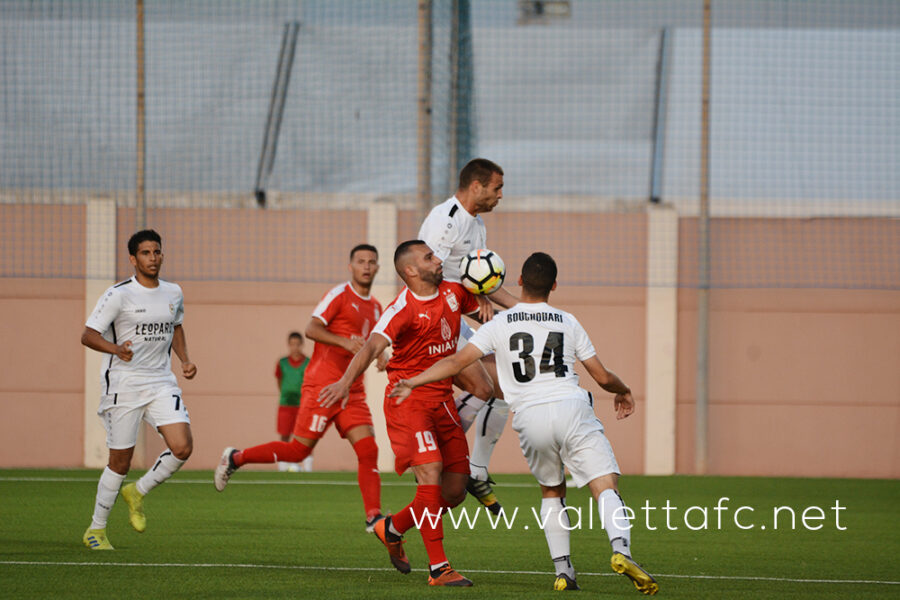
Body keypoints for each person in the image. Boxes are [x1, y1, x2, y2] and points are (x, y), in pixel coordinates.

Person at [390, 252, 660, 595]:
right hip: (571, 407)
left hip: (530, 418)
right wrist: (624, 390)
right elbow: (602, 376)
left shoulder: (499, 324)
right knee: (604, 483)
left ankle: (564, 572)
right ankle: (621, 550)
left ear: (518, 282)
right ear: (554, 286)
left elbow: (457, 361)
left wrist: (413, 381)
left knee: (552, 490)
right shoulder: (567, 321)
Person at [318, 240, 482, 587]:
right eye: (429, 257)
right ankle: (439, 568)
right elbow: (371, 347)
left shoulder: (454, 291)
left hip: (443, 401)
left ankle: (390, 527)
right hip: (408, 402)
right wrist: (346, 382)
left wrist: (518, 308)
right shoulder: (401, 309)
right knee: (430, 473)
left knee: (453, 491)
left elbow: (484, 305)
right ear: (410, 270)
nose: (438, 260)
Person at [215, 244, 386, 532]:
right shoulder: (339, 296)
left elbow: (374, 340)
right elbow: (311, 329)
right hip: (323, 386)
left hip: (352, 391)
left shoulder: (377, 306)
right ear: (350, 267)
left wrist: (381, 355)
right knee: (297, 451)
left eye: (371, 262)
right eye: (361, 261)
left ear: (378, 267)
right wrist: (345, 342)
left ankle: (374, 517)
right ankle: (236, 457)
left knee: (368, 449)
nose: (367, 266)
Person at [80, 229, 197, 550]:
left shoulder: (173, 292)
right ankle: (96, 530)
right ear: (133, 259)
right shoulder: (119, 294)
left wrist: (185, 360)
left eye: (157, 252)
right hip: (124, 384)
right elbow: (88, 335)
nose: (153, 258)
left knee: (183, 447)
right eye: (145, 253)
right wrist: (116, 349)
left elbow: (176, 327)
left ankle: (138, 491)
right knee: (120, 462)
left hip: (160, 382)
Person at [417, 157, 518, 514]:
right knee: (485, 388)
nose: (501, 195)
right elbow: (427, 278)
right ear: (476, 186)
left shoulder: (476, 225)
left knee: (505, 381)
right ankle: (447, 447)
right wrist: (475, 305)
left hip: (457, 318)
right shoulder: (446, 222)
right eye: (497, 188)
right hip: (435, 325)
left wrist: (526, 311)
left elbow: (483, 284)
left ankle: (474, 467)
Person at [274, 331, 311, 472]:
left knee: (306, 435)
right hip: (286, 404)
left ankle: (308, 466)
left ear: (302, 345)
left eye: (297, 344)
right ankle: (282, 466)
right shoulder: (282, 362)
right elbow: (279, 380)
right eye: (292, 344)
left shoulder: (308, 362)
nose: (295, 347)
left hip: (303, 405)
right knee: (285, 434)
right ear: (288, 345)